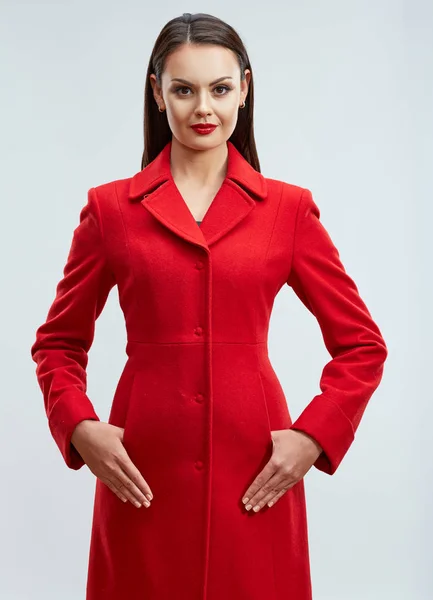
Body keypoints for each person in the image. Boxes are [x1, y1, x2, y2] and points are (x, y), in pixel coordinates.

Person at [30, 11, 388, 600]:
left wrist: (315, 436)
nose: (204, 108)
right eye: (184, 89)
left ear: (245, 88)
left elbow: (362, 345)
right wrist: (79, 426)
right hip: (141, 470)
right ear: (157, 92)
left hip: (256, 471)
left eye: (220, 89)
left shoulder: (288, 211)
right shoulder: (111, 210)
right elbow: (58, 343)